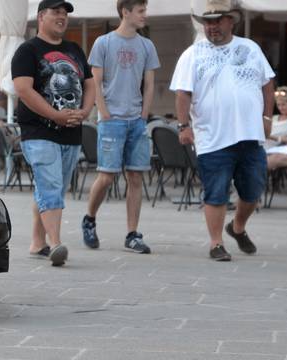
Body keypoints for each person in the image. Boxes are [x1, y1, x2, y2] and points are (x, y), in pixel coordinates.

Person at [170, 0, 275, 261]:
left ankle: (237, 227)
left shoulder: (250, 48)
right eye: (207, 21)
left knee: (253, 190)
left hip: (250, 134)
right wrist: (184, 125)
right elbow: (183, 93)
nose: (212, 26)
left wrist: (266, 116)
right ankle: (216, 243)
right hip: (212, 137)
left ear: (231, 21)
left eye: (218, 20)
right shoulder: (192, 54)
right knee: (215, 192)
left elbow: (267, 83)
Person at [12, 0, 95, 267]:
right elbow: (24, 90)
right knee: (50, 186)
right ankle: (57, 243)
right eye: (55, 12)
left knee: (52, 187)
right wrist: (54, 114)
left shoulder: (74, 49)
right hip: (39, 130)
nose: (62, 17)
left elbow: (90, 83)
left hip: (71, 131)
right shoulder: (27, 51)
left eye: (65, 13)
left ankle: (38, 242)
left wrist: (84, 110)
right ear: (41, 17)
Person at [80, 0, 160, 254]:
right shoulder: (104, 43)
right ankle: (89, 218)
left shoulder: (147, 45)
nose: (145, 15)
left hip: (136, 120)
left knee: (135, 176)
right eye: (141, 11)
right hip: (111, 119)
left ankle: (132, 234)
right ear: (126, 12)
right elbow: (96, 81)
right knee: (106, 176)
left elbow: (149, 85)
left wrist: (143, 115)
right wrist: (103, 112)